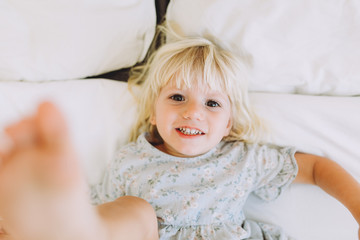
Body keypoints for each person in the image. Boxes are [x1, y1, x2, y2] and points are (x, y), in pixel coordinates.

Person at [0, 29, 359, 239]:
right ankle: (59, 226)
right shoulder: (131, 159)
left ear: (230, 125)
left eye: (213, 104)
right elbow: (107, 209)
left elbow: (315, 169)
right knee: (134, 210)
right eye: (177, 97)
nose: (192, 112)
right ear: (153, 115)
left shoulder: (242, 159)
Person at [0, 102, 159, 240]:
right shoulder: (133, 156)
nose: (185, 113)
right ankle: (87, 234)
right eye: (177, 98)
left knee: (140, 210)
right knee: (140, 212)